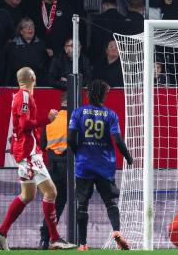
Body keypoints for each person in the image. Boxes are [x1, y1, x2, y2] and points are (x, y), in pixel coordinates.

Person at [0, 67, 76, 250]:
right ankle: (54, 238)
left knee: (28, 195)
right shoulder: (24, 96)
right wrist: (47, 119)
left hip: (24, 151)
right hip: (28, 152)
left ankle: (2, 232)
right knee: (51, 192)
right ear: (33, 78)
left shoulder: (18, 97)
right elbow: (24, 125)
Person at [68, 79, 133, 251]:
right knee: (110, 203)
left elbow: (70, 139)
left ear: (89, 93)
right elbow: (118, 140)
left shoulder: (78, 112)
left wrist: (78, 153)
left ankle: (83, 244)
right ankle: (117, 231)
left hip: (84, 165)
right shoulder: (111, 115)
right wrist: (128, 157)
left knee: (82, 204)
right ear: (102, 94)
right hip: (105, 165)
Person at [38, 92, 69, 249]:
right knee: (75, 202)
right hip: (69, 167)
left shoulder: (51, 120)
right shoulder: (73, 119)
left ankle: (45, 238)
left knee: (53, 203)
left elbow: (42, 145)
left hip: (53, 167)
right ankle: (79, 240)